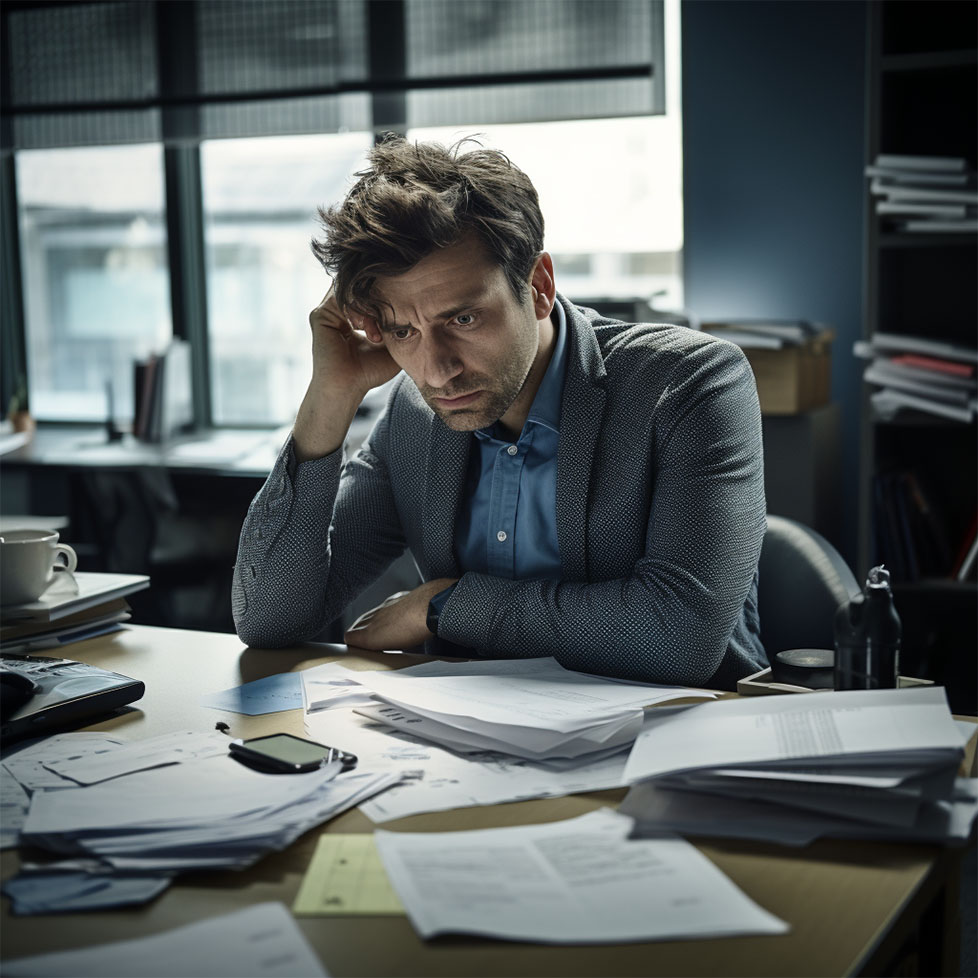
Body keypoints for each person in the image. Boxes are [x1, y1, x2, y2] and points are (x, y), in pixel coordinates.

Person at [232, 136, 767, 689]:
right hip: (473, 752)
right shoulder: (414, 416)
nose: (436, 371)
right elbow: (270, 618)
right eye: (403, 331)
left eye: (462, 320)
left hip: (673, 741)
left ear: (537, 286)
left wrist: (444, 607)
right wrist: (330, 395)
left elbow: (679, 637)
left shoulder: (690, 383)